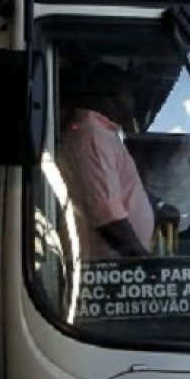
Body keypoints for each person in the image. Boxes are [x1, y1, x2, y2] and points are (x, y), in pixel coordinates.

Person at [58, 63, 157, 259]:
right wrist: (142, 262)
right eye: (130, 95)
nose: (133, 102)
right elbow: (107, 215)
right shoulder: (92, 137)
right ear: (115, 96)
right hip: (108, 268)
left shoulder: (103, 134)